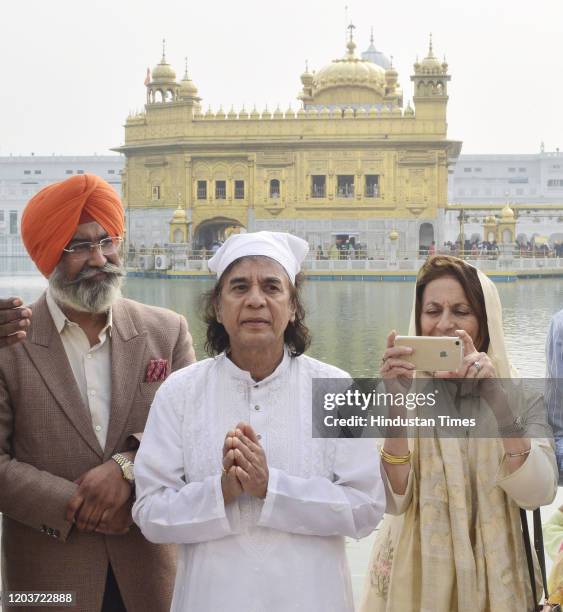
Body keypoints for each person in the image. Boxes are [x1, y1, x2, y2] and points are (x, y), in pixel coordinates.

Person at [133, 230, 385, 612]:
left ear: (293, 306)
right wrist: (222, 491)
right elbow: (150, 514)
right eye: (239, 287)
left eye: (271, 287)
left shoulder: (335, 388)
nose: (255, 300)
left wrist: (273, 489)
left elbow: (366, 508)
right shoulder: (181, 392)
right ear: (218, 308)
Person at [0, 174, 196, 612]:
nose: (99, 258)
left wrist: (126, 468)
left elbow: (196, 434)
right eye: (78, 247)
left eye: (107, 241)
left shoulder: (165, 331)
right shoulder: (10, 343)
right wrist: (73, 502)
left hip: (152, 574)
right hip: (44, 584)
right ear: (49, 254)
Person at [360, 254, 557, 612]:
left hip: (498, 577)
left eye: (461, 311)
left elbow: (537, 494)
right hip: (416, 578)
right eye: (432, 311)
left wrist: (497, 401)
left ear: (485, 321)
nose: (444, 325)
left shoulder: (518, 393)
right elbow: (392, 501)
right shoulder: (399, 391)